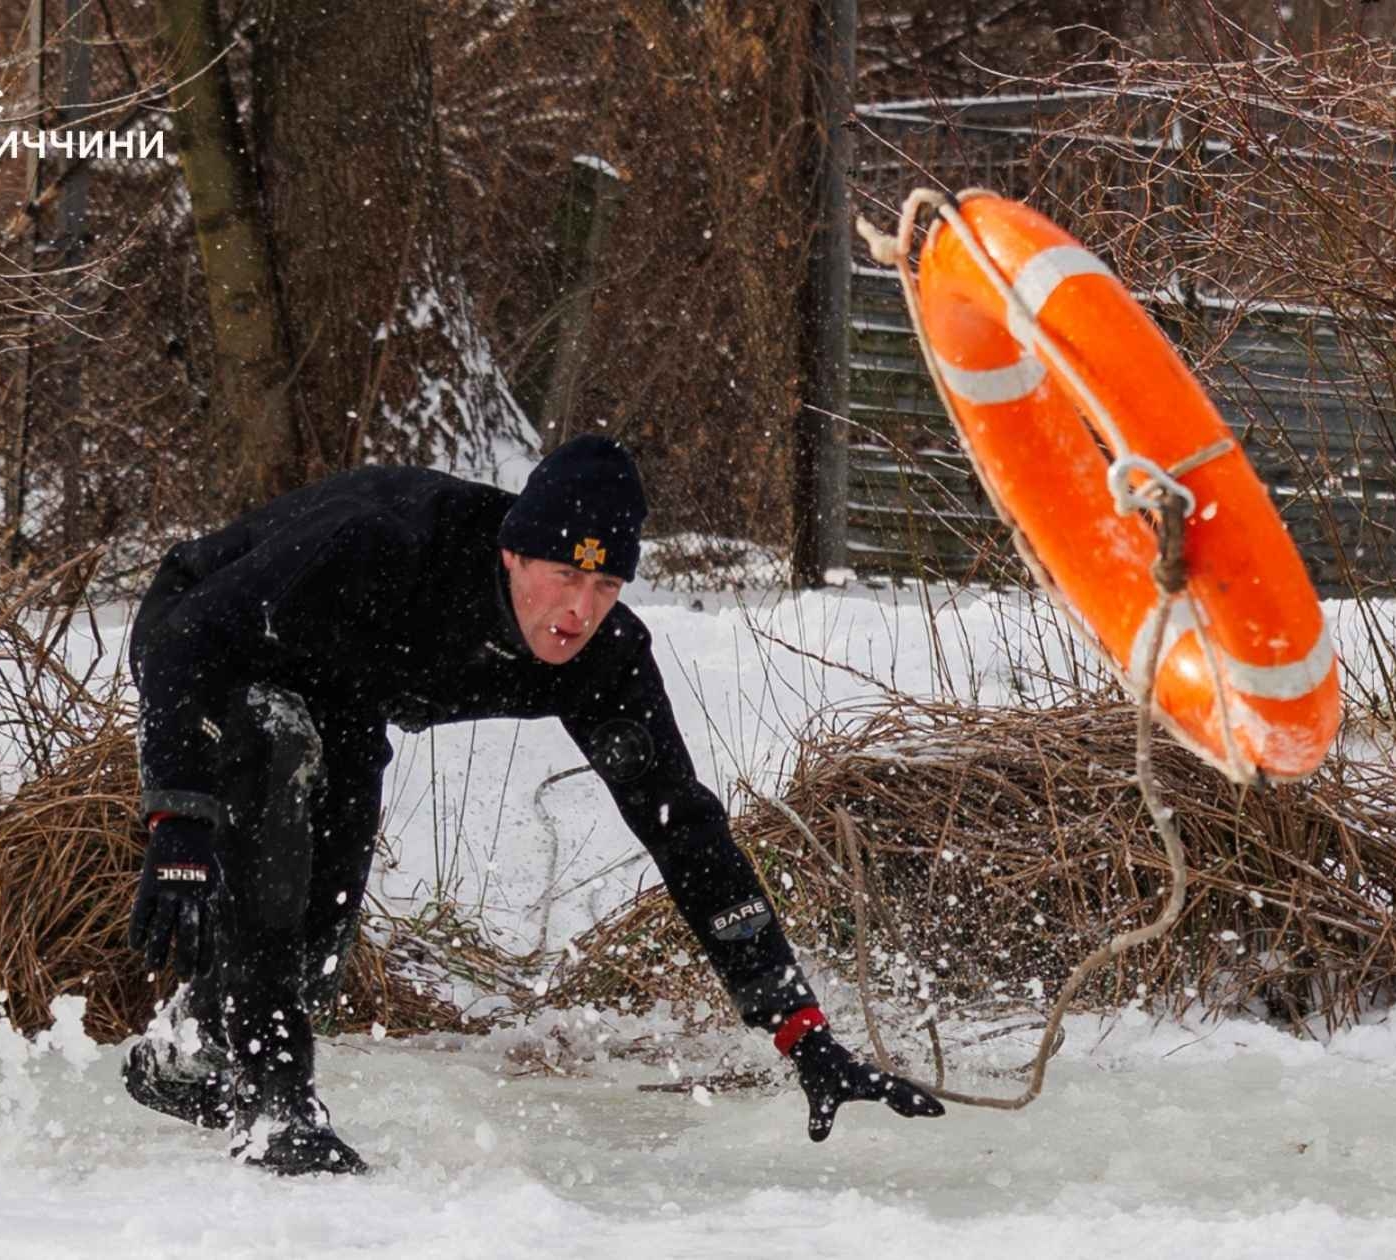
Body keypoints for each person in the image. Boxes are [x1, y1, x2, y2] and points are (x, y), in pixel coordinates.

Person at [121, 436, 944, 1174]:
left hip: (344, 687)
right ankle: (277, 1108)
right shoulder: (383, 543)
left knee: (321, 937)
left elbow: (683, 828)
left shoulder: (604, 658)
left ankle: (186, 1051)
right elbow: (188, 636)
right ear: (512, 554)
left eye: (606, 583)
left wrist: (799, 1030)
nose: (579, 611)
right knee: (277, 754)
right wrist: (179, 820)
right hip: (212, 642)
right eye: (564, 576)